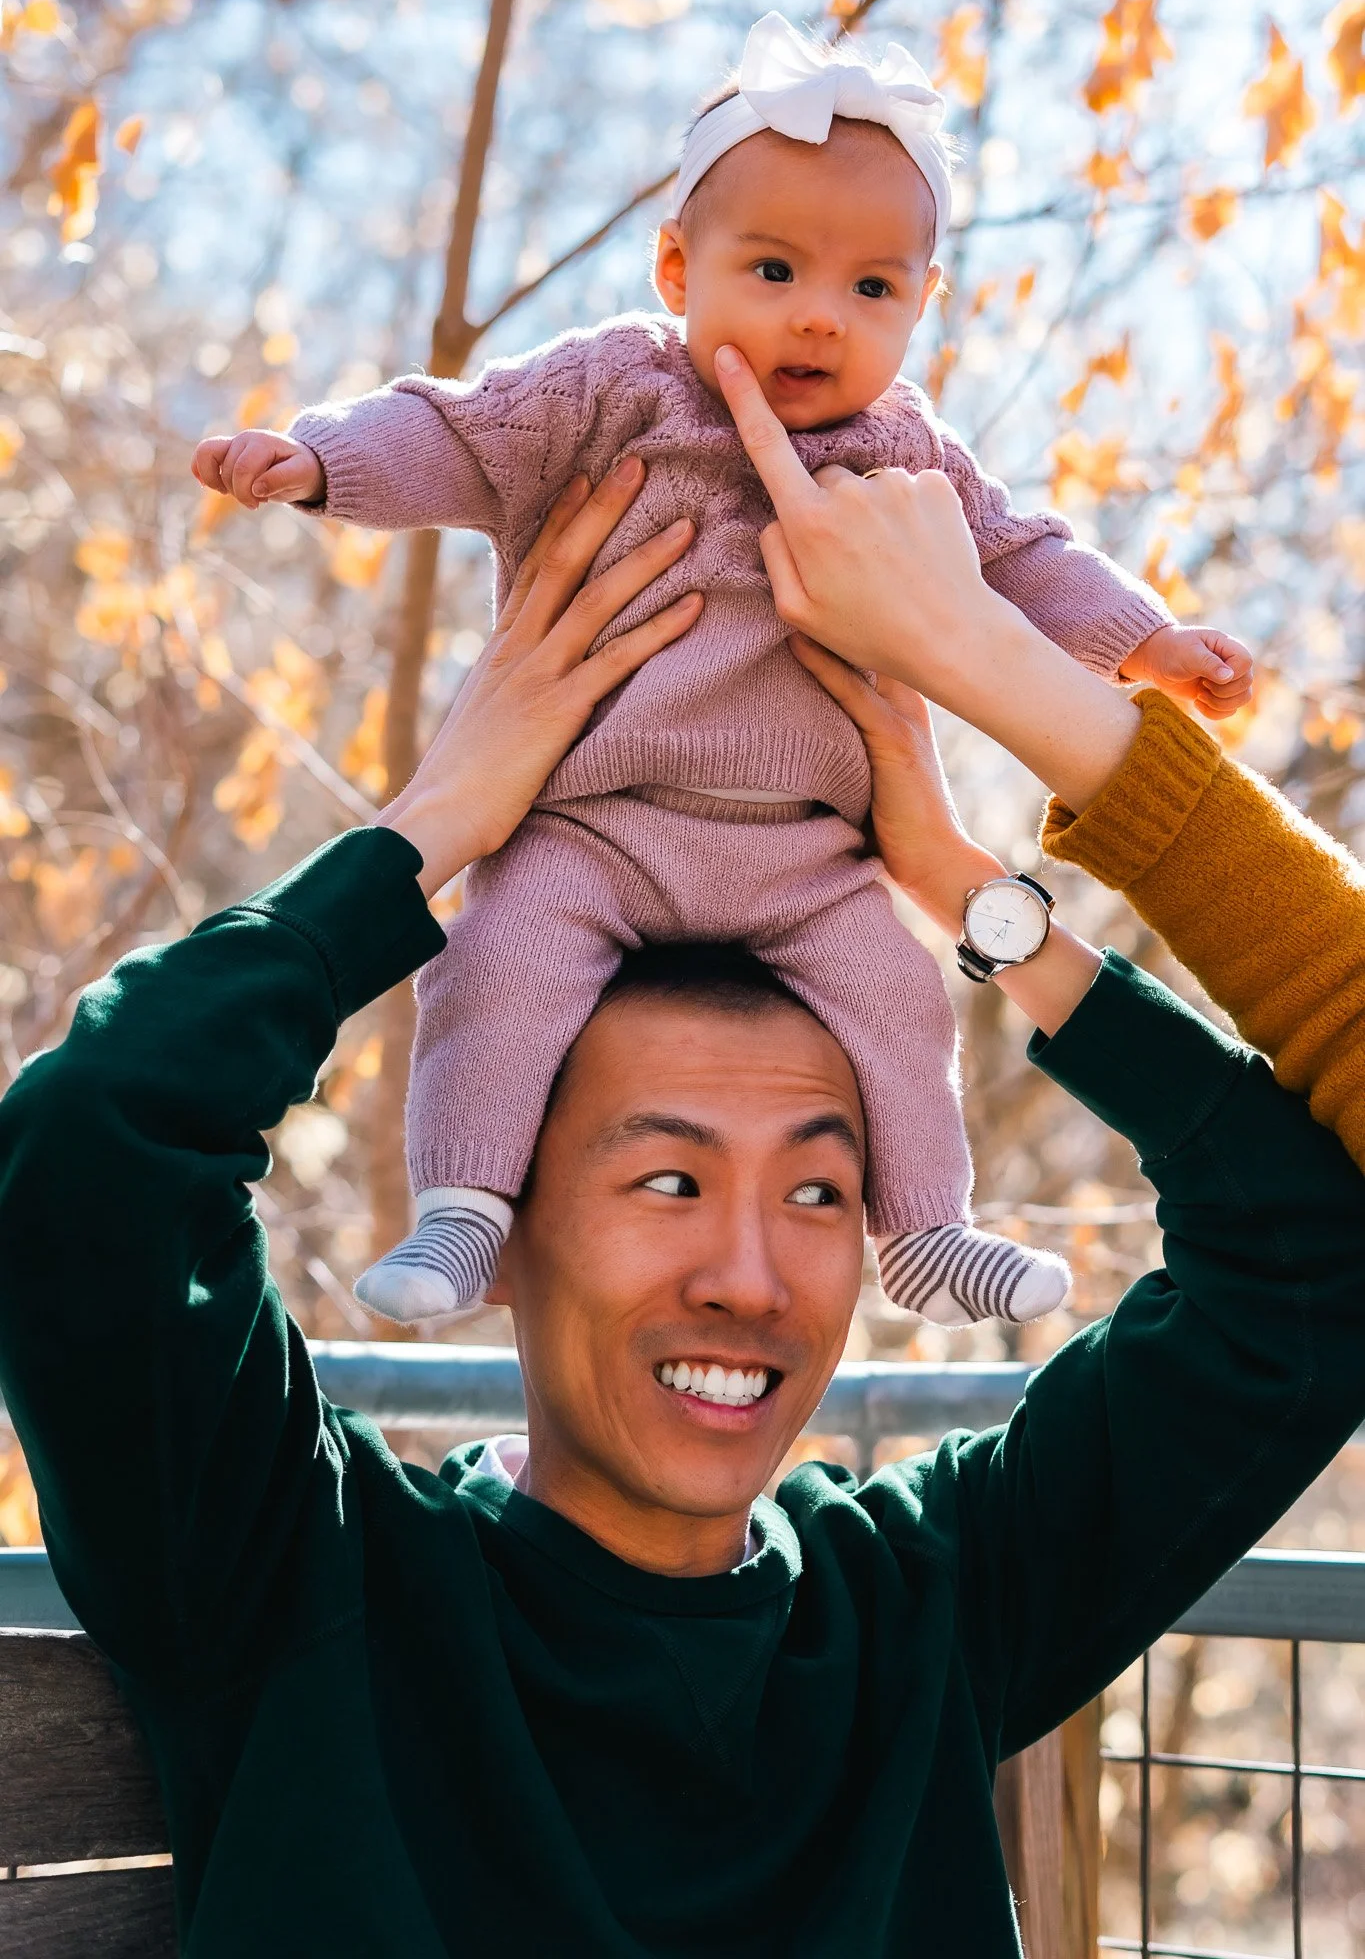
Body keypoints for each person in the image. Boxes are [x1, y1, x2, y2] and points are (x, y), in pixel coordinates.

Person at [0, 376, 1362, 1958]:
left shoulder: (932, 1601)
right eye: (666, 1184)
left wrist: (982, 903)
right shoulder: (301, 1574)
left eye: (819, 1192)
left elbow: (1316, 1266)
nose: (750, 1274)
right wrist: (433, 828)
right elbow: (79, 1162)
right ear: (500, 1219)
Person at [190, 12, 1254, 1335]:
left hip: (811, 855)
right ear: (678, 266)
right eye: (774, 269)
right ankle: (469, 1207)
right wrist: (321, 464)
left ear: (922, 302)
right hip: (592, 826)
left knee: (898, 993)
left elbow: (1028, 557)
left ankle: (924, 1229)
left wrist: (1145, 641)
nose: (822, 315)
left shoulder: (907, 451)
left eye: (874, 289)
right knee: (497, 962)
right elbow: (454, 434)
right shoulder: (613, 389)